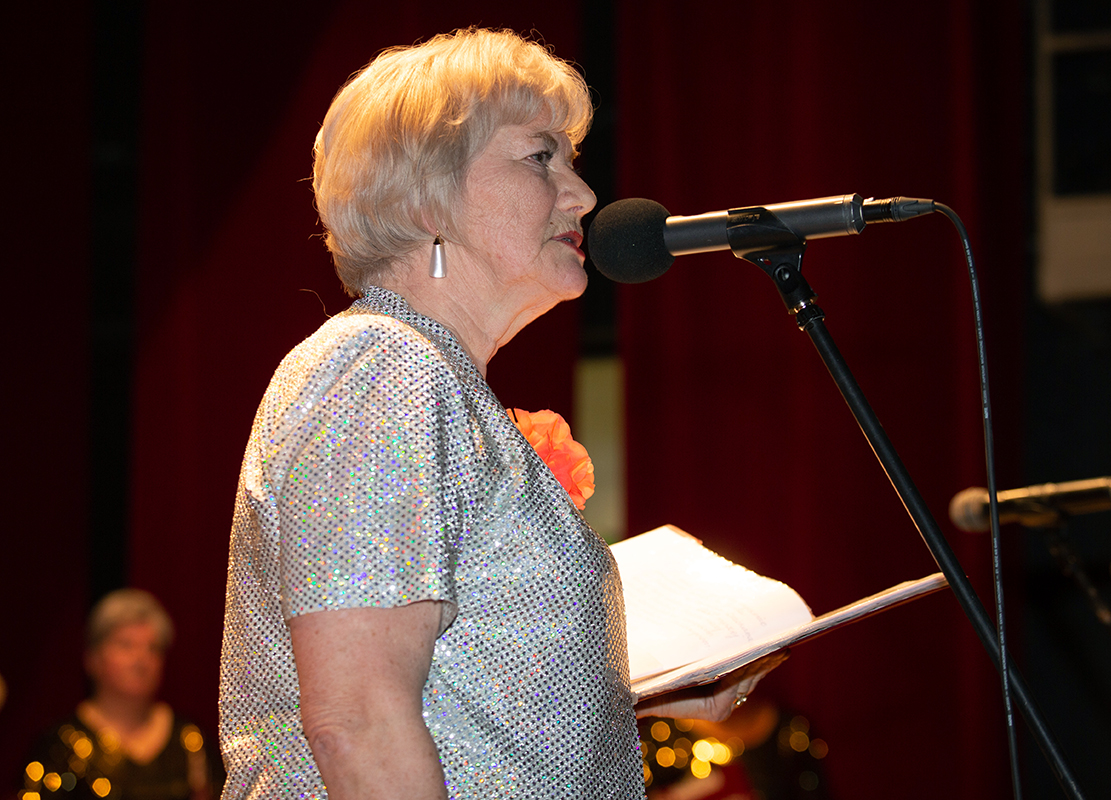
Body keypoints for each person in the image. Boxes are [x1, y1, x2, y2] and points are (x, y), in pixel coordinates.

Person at [218, 28, 779, 800]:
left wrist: (626, 693)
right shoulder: (382, 365)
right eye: (541, 156)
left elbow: (457, 694)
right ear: (426, 196)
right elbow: (358, 719)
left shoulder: (434, 378)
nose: (583, 194)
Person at [22, 589, 221, 800]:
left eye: (152, 648)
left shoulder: (190, 739)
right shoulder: (62, 744)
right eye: (126, 645)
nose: (141, 659)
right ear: (93, 658)